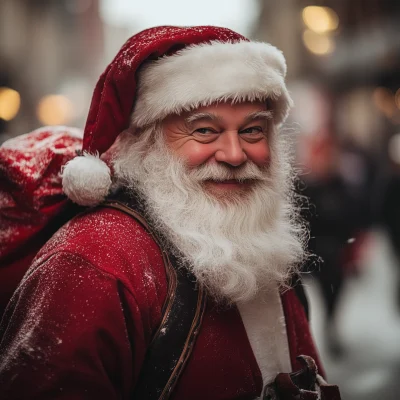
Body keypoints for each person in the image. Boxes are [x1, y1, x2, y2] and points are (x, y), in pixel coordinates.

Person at [0, 26, 339, 399]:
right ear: (148, 142)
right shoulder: (94, 258)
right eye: (205, 131)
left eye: (253, 131)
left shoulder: (264, 249)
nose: (235, 155)